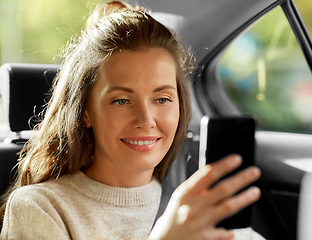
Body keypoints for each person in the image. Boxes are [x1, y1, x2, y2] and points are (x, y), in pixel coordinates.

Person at [0, 1, 262, 239]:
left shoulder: (197, 206)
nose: (146, 119)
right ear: (85, 111)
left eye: (162, 99)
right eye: (122, 101)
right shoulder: (40, 208)